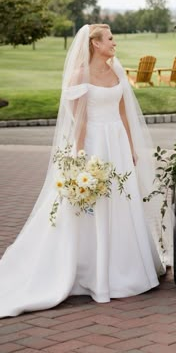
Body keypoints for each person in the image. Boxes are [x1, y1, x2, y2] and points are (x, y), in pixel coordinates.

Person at [0, 24, 166, 318]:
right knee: (94, 203)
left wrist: (130, 147)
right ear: (95, 44)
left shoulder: (116, 71)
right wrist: (79, 157)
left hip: (116, 141)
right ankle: (91, 272)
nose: (114, 43)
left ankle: (126, 269)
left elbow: (124, 112)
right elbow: (80, 121)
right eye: (110, 39)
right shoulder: (79, 76)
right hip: (93, 144)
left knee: (121, 200)